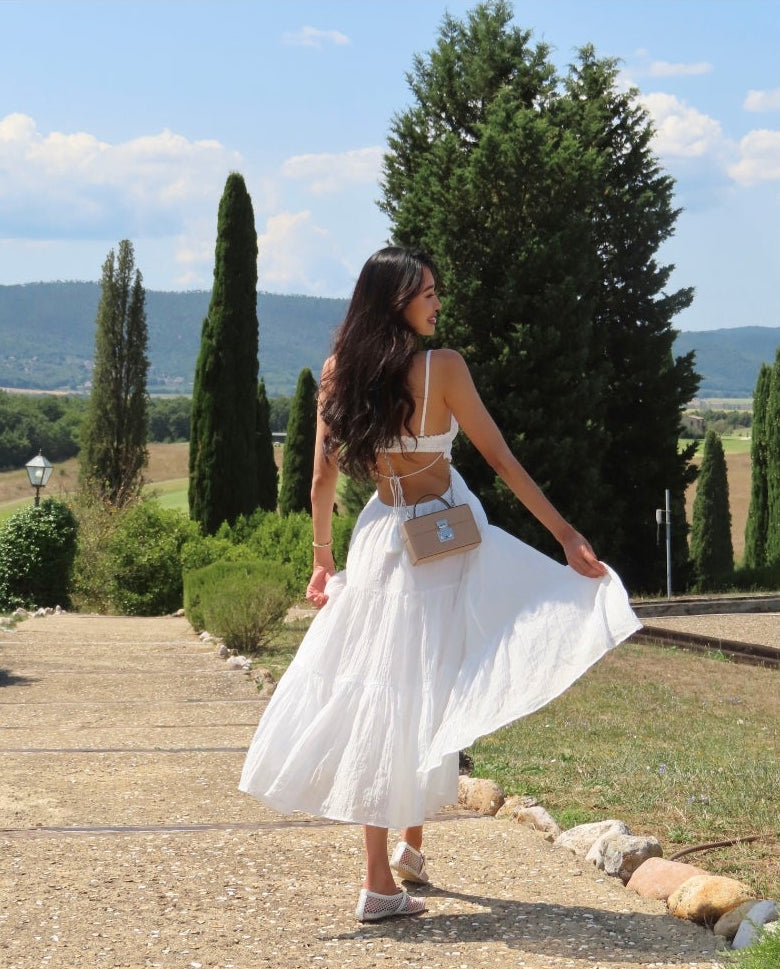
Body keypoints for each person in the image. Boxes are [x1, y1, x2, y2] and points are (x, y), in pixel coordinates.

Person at [239, 247, 641, 922]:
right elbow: (501, 460)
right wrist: (566, 536)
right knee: (436, 681)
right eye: (427, 292)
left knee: (386, 688)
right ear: (394, 299)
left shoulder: (341, 373)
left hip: (381, 540)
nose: (437, 302)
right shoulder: (442, 368)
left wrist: (320, 560)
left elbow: (320, 482)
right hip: (449, 542)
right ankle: (397, 860)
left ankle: (394, 863)